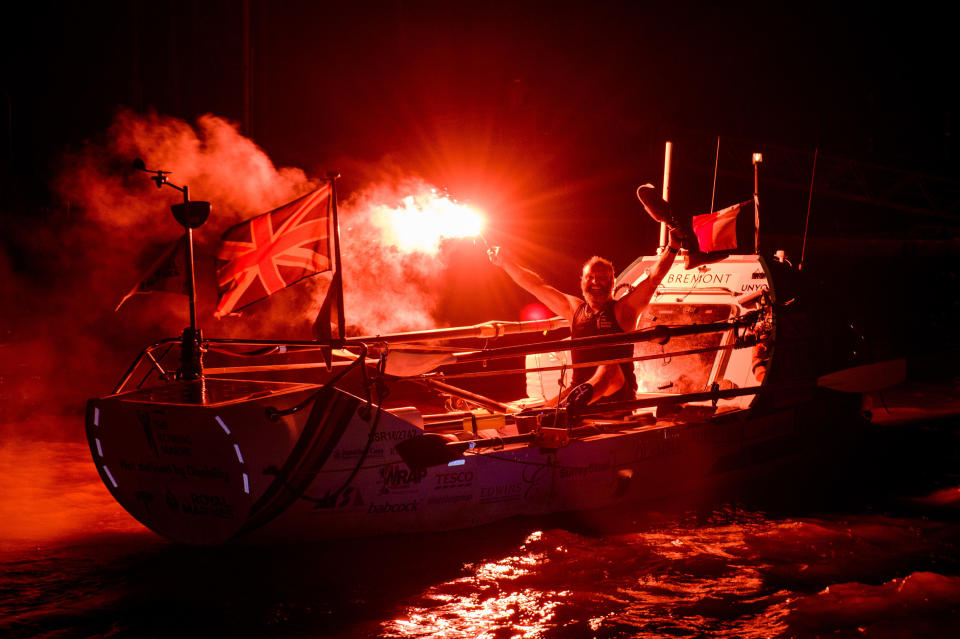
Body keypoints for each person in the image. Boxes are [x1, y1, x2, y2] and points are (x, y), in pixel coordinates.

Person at [488, 223, 681, 412]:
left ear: (612, 282)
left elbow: (653, 280)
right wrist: (505, 262)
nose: (596, 281)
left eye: (602, 277)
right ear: (582, 282)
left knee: (609, 367)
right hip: (578, 392)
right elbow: (536, 286)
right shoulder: (574, 310)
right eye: (590, 277)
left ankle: (572, 408)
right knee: (539, 414)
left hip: (616, 395)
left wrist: (672, 248)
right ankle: (564, 409)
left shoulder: (624, 310)